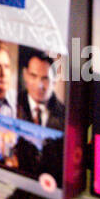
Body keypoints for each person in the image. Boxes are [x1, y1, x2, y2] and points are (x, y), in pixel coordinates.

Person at [10, 49, 65, 180]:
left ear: (54, 81)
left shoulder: (65, 116)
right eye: (33, 76)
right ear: (25, 75)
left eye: (45, 78)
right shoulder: (10, 105)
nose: (39, 85)